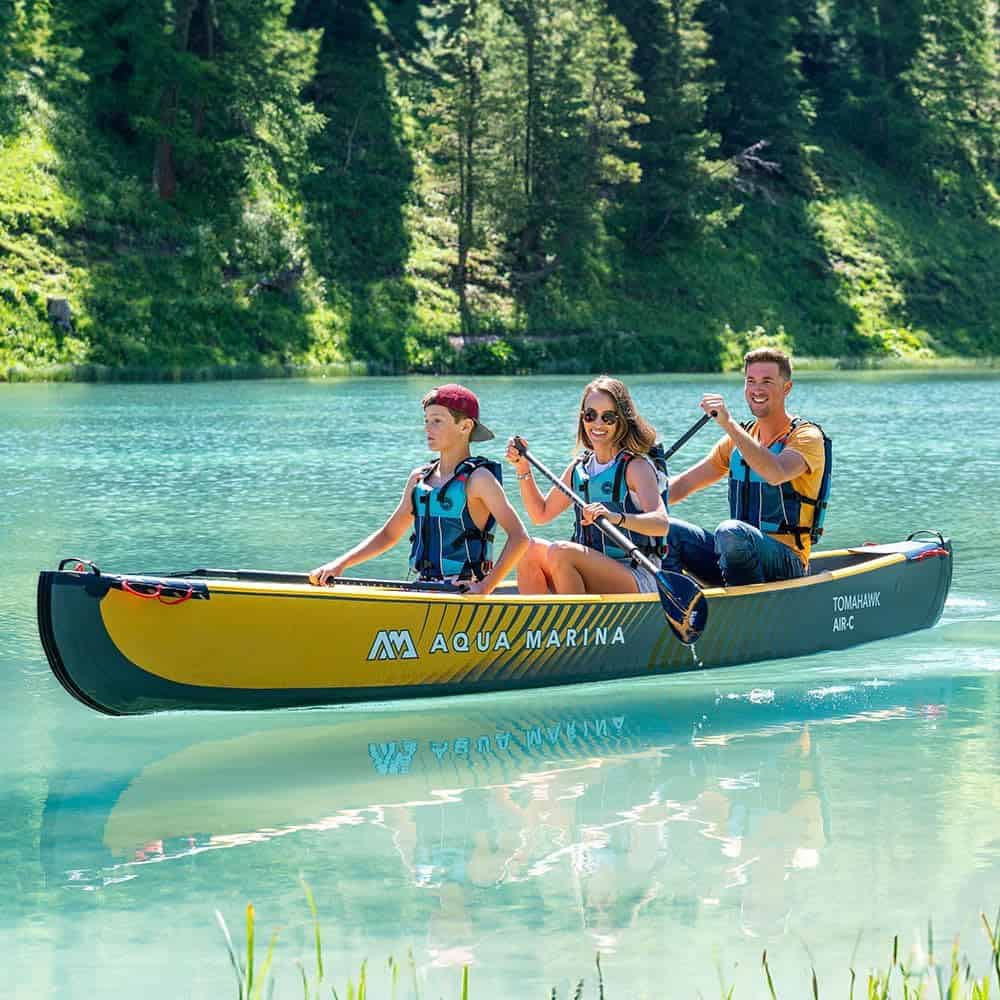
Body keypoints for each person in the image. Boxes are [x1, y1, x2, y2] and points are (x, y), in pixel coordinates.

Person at [309, 384, 528, 593]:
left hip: (462, 591)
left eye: (437, 421)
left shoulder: (479, 479)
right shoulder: (419, 479)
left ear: (465, 426)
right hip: (423, 586)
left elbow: (519, 537)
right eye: (426, 420)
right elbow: (388, 535)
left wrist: (485, 586)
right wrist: (340, 564)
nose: (427, 428)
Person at [664, 346, 830, 586]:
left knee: (730, 532)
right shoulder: (738, 439)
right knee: (664, 528)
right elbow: (684, 484)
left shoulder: (806, 437)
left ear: (787, 388)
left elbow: (776, 472)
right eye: (750, 381)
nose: (757, 389)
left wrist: (729, 424)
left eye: (767, 381)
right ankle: (676, 603)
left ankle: (745, 607)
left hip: (787, 562)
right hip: (735, 555)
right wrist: (632, 502)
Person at [504, 376, 669, 595]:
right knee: (528, 550)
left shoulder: (635, 467)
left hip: (637, 573)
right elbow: (540, 514)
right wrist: (522, 468)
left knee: (562, 552)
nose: (597, 424)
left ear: (622, 420)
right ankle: (538, 628)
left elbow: (661, 523)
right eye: (590, 415)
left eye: (608, 417)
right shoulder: (579, 469)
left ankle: (576, 626)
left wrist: (614, 517)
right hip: (592, 567)